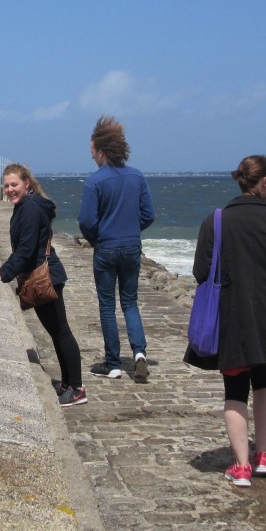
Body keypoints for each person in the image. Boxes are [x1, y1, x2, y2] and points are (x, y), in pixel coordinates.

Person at [184, 155, 266, 487]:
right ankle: (264, 453)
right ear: (265, 181)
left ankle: (240, 466)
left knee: (235, 389)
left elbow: (200, 272)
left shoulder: (217, 220)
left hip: (232, 317)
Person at [0, 163, 87, 407]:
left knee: (61, 331)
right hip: (43, 274)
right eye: (6, 185)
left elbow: (27, 250)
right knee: (55, 332)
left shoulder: (29, 208)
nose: (9, 189)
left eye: (14, 185)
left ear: (26, 183)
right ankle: (67, 383)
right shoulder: (26, 205)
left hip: (46, 275)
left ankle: (77, 388)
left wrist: (3, 273)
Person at [77, 115, 155, 383]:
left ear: (102, 151)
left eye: (93, 153)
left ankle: (112, 362)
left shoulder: (95, 182)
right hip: (131, 246)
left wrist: (98, 238)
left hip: (107, 247)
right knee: (130, 302)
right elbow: (148, 214)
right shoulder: (137, 177)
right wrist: (131, 230)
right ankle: (140, 353)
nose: (92, 158)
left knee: (108, 305)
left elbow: (86, 221)